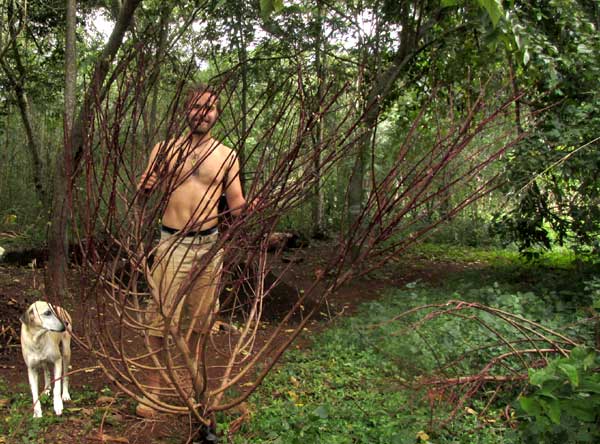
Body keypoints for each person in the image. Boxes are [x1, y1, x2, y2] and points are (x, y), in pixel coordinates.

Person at [136, 83, 247, 418]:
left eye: (210, 108)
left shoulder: (227, 155)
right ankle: (153, 391)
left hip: (208, 247)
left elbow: (236, 203)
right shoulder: (165, 149)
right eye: (197, 107)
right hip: (171, 243)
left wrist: (259, 213)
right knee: (159, 319)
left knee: (201, 323)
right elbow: (142, 191)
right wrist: (145, 187)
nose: (203, 113)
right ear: (187, 110)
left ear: (217, 114)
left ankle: (198, 388)